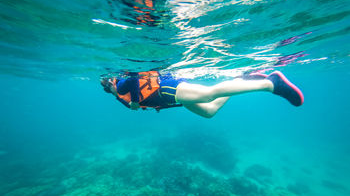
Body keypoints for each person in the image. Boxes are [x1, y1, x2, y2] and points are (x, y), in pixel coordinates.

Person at [100, 70, 304, 118]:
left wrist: (126, 97)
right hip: (168, 97)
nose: (108, 86)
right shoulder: (118, 93)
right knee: (209, 111)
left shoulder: (122, 84)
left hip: (167, 89)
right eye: (106, 85)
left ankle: (271, 84)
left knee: (209, 94)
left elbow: (135, 79)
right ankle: (241, 80)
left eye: (108, 83)